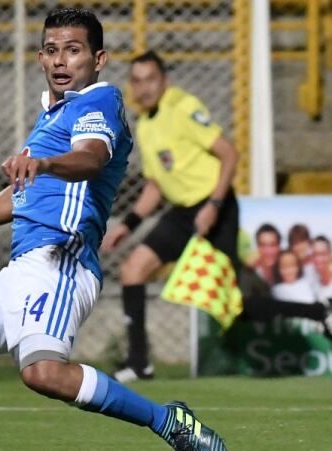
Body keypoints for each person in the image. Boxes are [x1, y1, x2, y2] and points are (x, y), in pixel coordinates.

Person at [0, 9, 226, 451]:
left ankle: (168, 421)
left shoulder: (98, 101)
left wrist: (44, 163)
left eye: (73, 50)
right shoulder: (51, 115)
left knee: (43, 373)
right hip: (19, 269)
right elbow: (22, 194)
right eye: (51, 50)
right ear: (40, 59)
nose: (61, 60)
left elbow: (91, 157)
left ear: (98, 59)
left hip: (63, 262)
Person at [101, 50, 240, 383]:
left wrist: (214, 206)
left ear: (164, 80)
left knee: (236, 303)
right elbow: (155, 186)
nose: (144, 88)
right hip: (182, 212)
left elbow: (230, 154)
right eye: (137, 81)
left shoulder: (183, 107)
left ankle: (320, 312)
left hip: (216, 207)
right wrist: (127, 226)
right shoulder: (145, 123)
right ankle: (139, 363)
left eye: (151, 79)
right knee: (133, 270)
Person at [312, 235, 332, 301]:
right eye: (315, 254)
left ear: (330, 255)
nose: (318, 259)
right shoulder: (312, 279)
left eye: (323, 254)